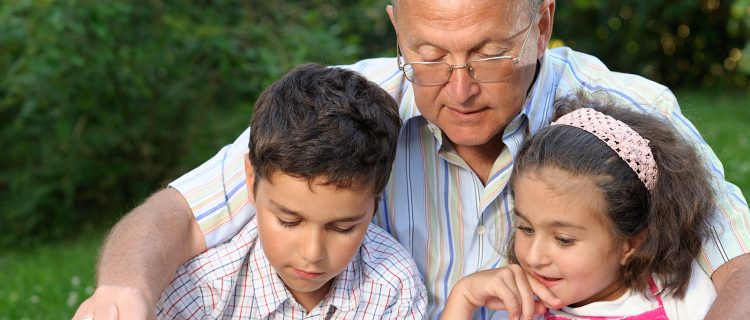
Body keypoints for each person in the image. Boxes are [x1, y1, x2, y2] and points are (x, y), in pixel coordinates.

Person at [74, 0, 750, 319]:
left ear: (541, 23)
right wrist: (125, 290)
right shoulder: (350, 112)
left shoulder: (620, 111)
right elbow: (177, 214)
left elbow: (738, 269)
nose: (458, 88)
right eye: (427, 55)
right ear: (396, 25)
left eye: (488, 52)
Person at [155, 63, 426, 318]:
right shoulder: (200, 292)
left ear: (376, 201)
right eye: (288, 221)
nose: (312, 253)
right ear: (251, 180)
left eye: (342, 228)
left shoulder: (393, 284)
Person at [441, 92, 718, 319]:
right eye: (525, 228)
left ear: (631, 244)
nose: (534, 256)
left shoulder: (683, 301)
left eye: (564, 239)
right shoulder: (523, 307)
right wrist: (463, 299)